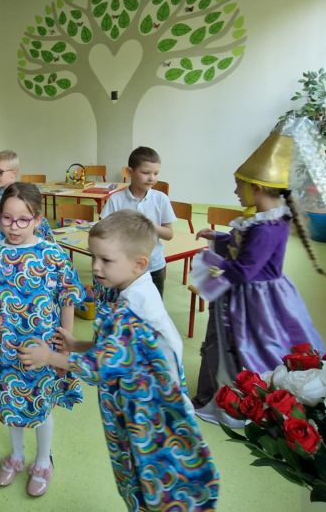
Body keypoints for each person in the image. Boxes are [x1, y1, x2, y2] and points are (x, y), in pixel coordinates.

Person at [18, 210, 220, 510]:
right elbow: (121, 352)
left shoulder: (131, 313)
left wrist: (50, 356)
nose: (95, 267)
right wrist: (79, 344)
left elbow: (99, 368)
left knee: (151, 483)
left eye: (106, 260)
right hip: (146, 405)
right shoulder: (138, 290)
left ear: (139, 264)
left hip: (148, 417)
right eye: (93, 257)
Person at [192, 130, 326, 421]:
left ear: (256, 188)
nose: (235, 192)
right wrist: (219, 237)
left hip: (256, 299)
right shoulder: (264, 221)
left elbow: (246, 269)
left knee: (251, 344)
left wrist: (213, 269)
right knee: (245, 343)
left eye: (238, 186)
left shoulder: (266, 228)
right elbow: (245, 249)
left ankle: (250, 396)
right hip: (259, 292)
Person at [0, 182, 84, 498]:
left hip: (43, 347)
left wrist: (65, 343)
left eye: (23, 219)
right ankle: (16, 455)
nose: (14, 227)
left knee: (41, 403)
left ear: (37, 219)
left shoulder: (52, 254)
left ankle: (43, 460)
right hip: (7, 347)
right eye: (7, 218)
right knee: (11, 401)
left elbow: (67, 297)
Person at [100, 146, 175, 297]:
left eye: (156, 173)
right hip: (123, 266)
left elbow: (169, 234)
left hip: (154, 266)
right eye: (146, 173)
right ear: (129, 172)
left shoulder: (161, 199)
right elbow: (104, 232)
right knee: (123, 305)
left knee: (153, 305)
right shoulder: (116, 199)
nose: (151, 178)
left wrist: (148, 225)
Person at [0, 150, 54, 241]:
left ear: (14, 172)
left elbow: (39, 223)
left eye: (0, 172)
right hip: (4, 243)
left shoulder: (25, 194)